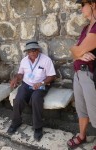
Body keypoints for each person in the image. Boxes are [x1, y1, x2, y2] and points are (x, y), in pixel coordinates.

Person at [7, 40, 56, 141]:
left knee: (36, 98)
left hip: (42, 84)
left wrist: (41, 83)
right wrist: (16, 78)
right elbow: (20, 74)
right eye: (30, 50)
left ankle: (38, 127)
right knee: (18, 99)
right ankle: (16, 122)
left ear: (38, 50)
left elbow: (52, 76)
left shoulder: (46, 60)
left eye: (34, 50)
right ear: (27, 52)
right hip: (27, 84)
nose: (32, 52)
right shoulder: (24, 61)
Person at [67, 0, 96, 149]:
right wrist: (78, 54)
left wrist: (76, 51)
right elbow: (75, 53)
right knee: (81, 109)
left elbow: (75, 50)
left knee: (94, 111)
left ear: (93, 4)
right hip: (79, 74)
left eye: (82, 5)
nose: (81, 9)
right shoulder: (86, 28)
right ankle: (82, 135)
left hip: (90, 76)